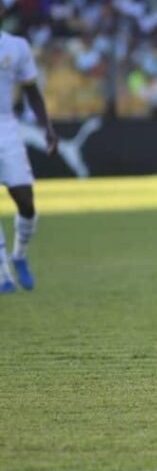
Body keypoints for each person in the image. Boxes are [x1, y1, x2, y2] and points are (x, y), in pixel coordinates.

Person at [0, 18, 59, 294]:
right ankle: (3, 275)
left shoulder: (16, 46)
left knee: (25, 201)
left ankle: (20, 254)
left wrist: (46, 127)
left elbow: (31, 90)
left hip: (6, 127)